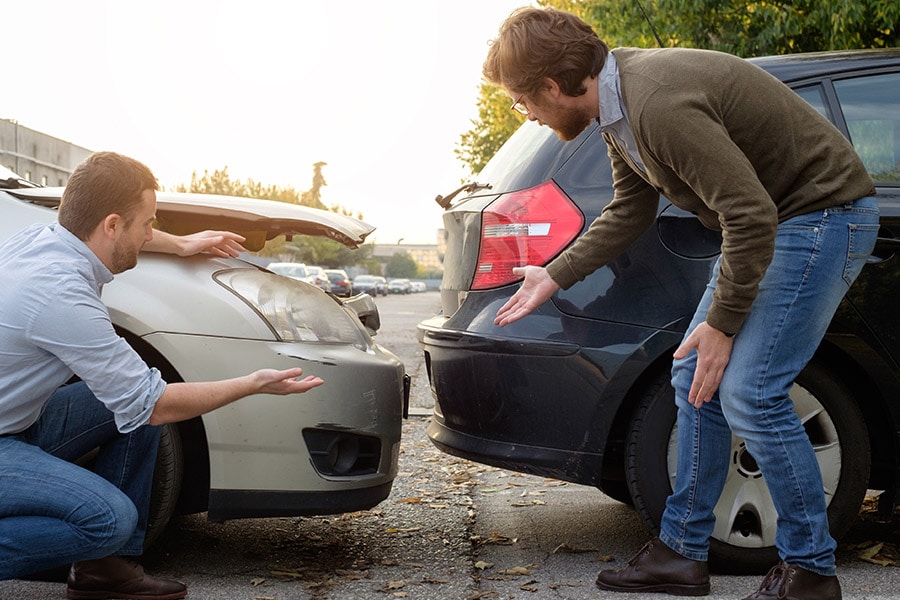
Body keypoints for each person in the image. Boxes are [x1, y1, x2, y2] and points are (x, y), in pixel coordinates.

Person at [485, 7, 879, 600]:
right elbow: (630, 209)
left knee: (752, 391)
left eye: (523, 102)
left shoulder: (656, 103)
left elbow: (750, 213)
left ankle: (811, 573)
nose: (532, 116)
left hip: (818, 219)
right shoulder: (617, 111)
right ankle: (680, 553)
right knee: (695, 373)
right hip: (774, 225)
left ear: (549, 85)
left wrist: (721, 324)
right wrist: (554, 276)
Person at [0, 151, 325, 599]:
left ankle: (103, 572)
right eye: (148, 224)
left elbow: (138, 402)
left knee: (126, 399)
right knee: (110, 518)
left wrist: (182, 244)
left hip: (15, 426)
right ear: (112, 225)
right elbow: (154, 406)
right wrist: (252, 384)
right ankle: (104, 546)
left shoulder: (44, 239)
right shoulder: (60, 293)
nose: (152, 233)